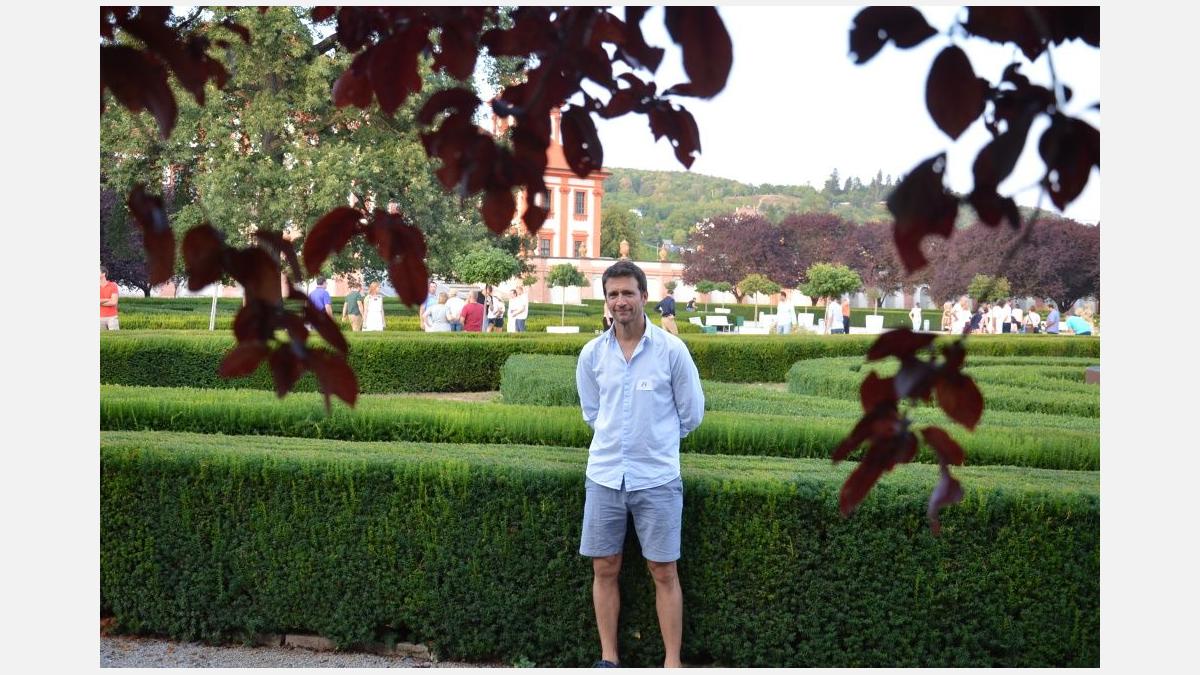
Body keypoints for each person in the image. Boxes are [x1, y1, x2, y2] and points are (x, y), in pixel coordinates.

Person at [574, 260, 704, 669]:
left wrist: (656, 442)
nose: (620, 301)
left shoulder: (672, 351)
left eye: (628, 293)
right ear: (606, 300)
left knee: (664, 570)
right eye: (613, 294)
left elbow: (692, 413)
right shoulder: (592, 354)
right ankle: (609, 659)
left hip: (657, 478)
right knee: (604, 567)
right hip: (605, 476)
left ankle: (672, 663)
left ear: (644, 296)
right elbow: (593, 413)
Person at [100, 265, 120, 330]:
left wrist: (100, 302)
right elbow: (112, 301)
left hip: (112, 317)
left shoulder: (113, 285)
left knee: (115, 336)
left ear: (103, 274)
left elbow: (114, 302)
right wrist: (108, 299)